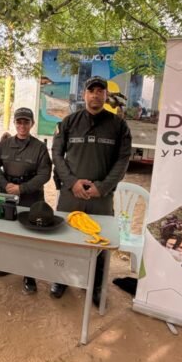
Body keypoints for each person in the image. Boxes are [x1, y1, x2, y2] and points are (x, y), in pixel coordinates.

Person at [50, 76, 132, 304]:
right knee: (64, 237)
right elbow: (57, 154)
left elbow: (123, 160)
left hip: (100, 197)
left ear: (106, 96)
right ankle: (61, 279)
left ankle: (96, 286)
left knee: (100, 241)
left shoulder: (119, 126)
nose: (95, 94)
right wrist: (72, 182)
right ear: (84, 95)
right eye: (91, 90)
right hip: (71, 193)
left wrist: (102, 187)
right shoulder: (69, 122)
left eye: (100, 91)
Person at [0, 107, 52, 294]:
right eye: (19, 121)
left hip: (30, 197)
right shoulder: (5, 144)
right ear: (15, 123)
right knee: (8, 232)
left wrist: (22, 188)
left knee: (29, 236)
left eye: (26, 121)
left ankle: (29, 275)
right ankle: (7, 265)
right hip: (7, 194)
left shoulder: (39, 147)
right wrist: (4, 183)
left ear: (32, 124)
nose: (22, 125)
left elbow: (45, 174)